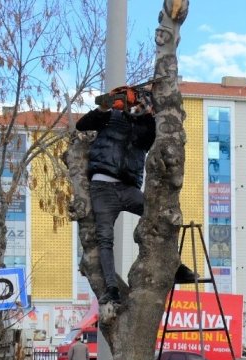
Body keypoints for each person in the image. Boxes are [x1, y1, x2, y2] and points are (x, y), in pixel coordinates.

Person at [76, 85, 197, 304]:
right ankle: (111, 289)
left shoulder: (145, 125)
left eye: (142, 102)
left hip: (128, 188)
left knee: (162, 217)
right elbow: (82, 125)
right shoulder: (108, 117)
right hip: (102, 186)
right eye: (136, 101)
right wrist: (105, 106)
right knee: (105, 238)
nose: (137, 105)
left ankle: (175, 267)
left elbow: (146, 141)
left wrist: (149, 115)